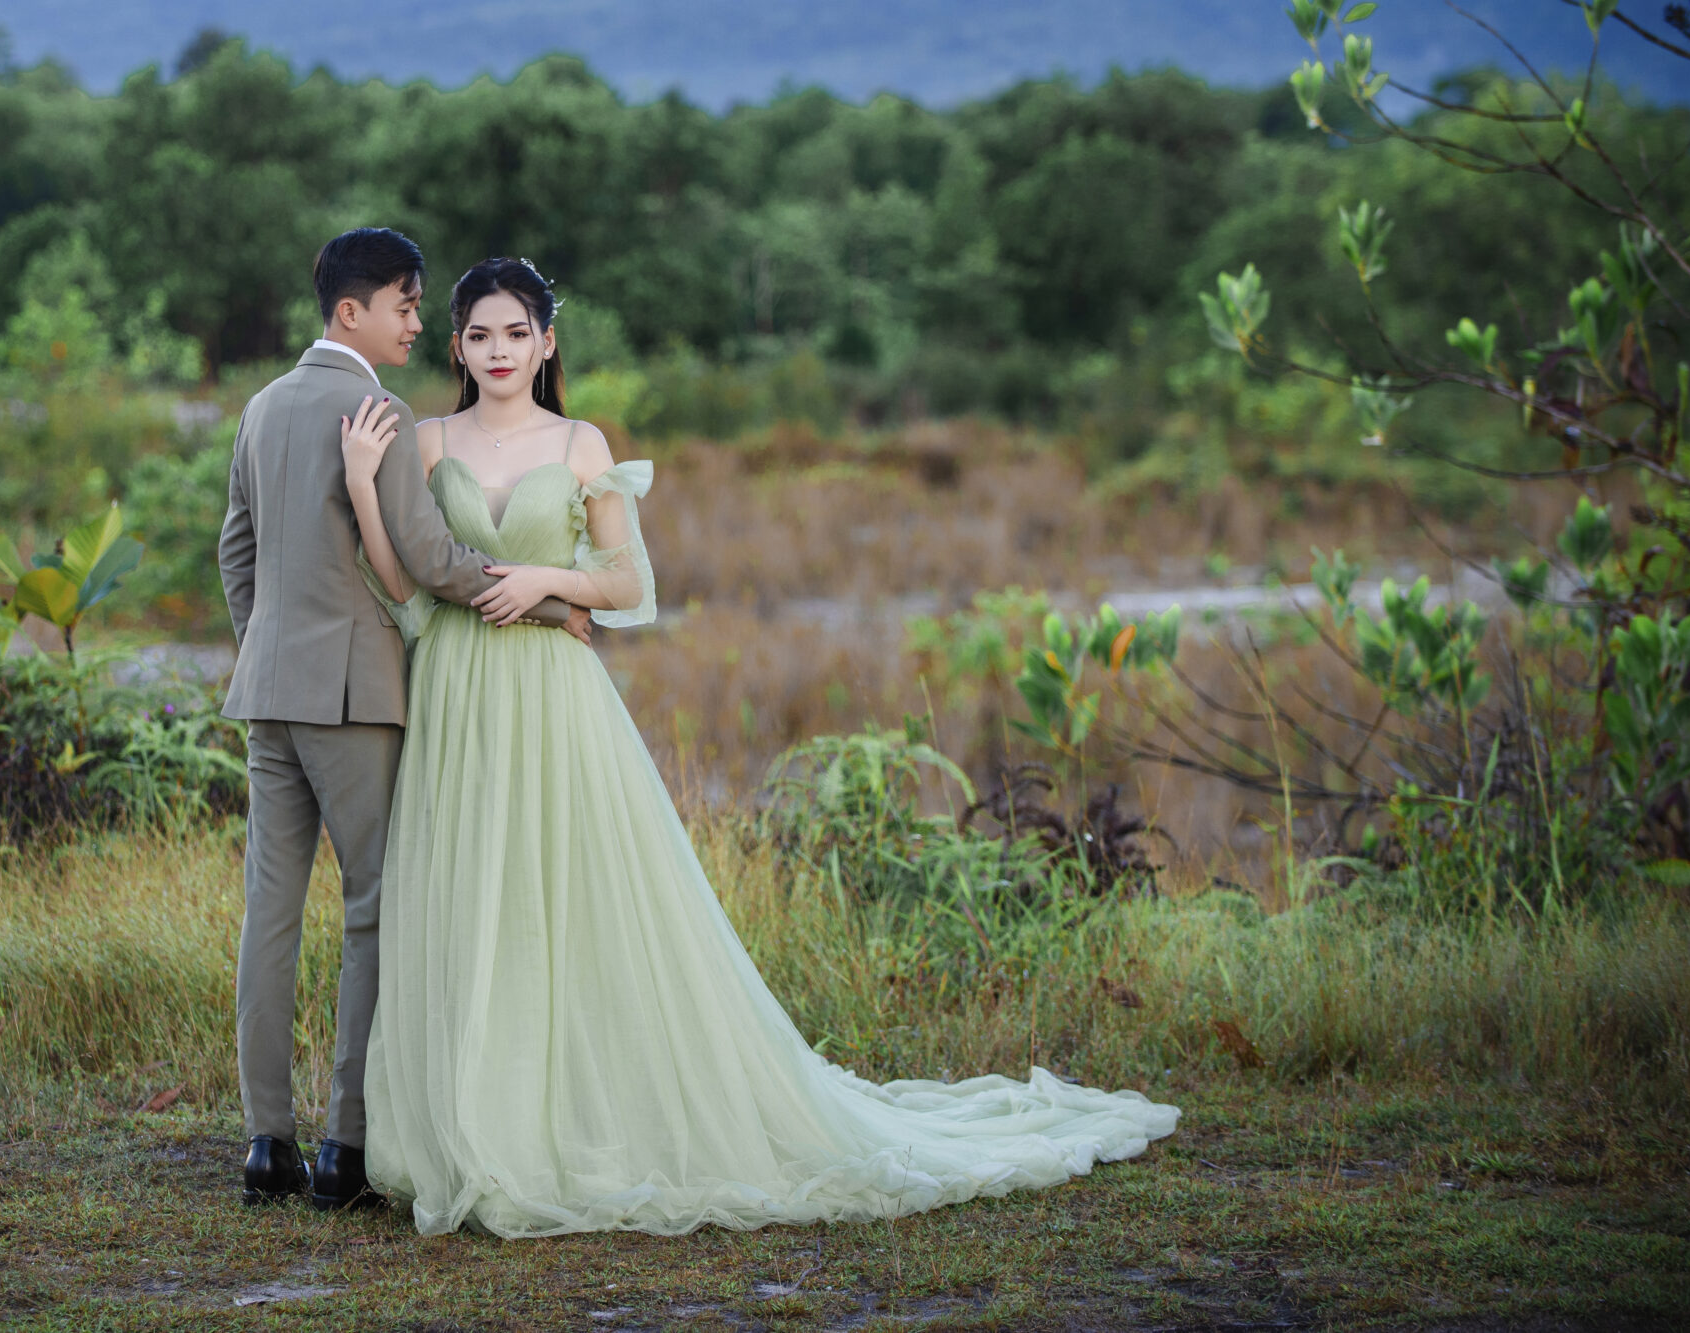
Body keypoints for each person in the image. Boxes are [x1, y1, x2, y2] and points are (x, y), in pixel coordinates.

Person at [339, 256, 1179, 1239]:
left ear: (546, 342)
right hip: (456, 693)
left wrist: (544, 582)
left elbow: (630, 585)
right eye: (479, 335)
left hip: (551, 697)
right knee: (465, 898)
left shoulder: (578, 442)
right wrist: (361, 481)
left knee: (558, 899)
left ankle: (567, 1125)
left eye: (515, 333)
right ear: (455, 346)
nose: (497, 352)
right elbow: (402, 581)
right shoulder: (428, 439)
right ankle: (470, 1129)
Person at [217, 228, 594, 1213]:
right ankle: (345, 1147)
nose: (417, 323)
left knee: (269, 910)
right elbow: (428, 558)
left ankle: (265, 1143)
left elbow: (235, 551)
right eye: (405, 304)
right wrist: (552, 602)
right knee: (375, 906)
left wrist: (265, 650)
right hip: (353, 696)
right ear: (352, 311)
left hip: (266, 694)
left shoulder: (261, 405)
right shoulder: (374, 409)